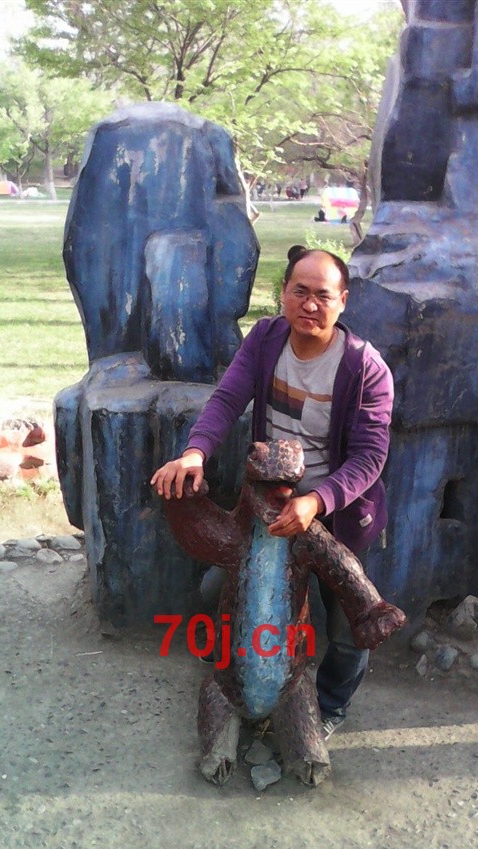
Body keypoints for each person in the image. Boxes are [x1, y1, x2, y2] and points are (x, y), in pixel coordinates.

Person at [151, 247, 394, 742]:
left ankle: (329, 706)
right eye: (299, 291)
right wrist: (195, 453)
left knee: (346, 623)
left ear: (343, 301)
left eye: (322, 295)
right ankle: (235, 667)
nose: (310, 304)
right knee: (216, 590)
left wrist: (316, 502)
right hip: (267, 510)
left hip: (336, 512)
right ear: (283, 293)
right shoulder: (265, 340)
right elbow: (227, 400)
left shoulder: (365, 369)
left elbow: (369, 458)